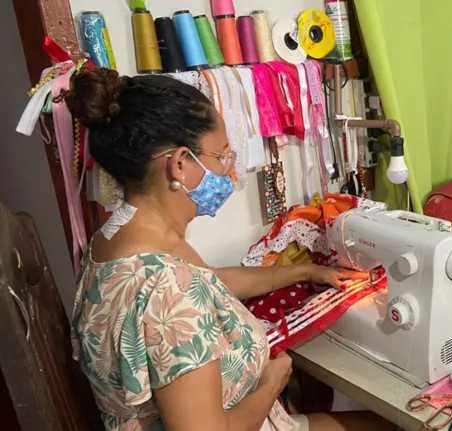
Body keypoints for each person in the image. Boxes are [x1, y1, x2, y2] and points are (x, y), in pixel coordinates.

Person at [65, 69, 391, 431]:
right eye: (221, 157)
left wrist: (304, 271)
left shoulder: (115, 242)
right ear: (181, 163)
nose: (227, 173)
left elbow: (209, 281)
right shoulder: (171, 291)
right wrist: (271, 384)